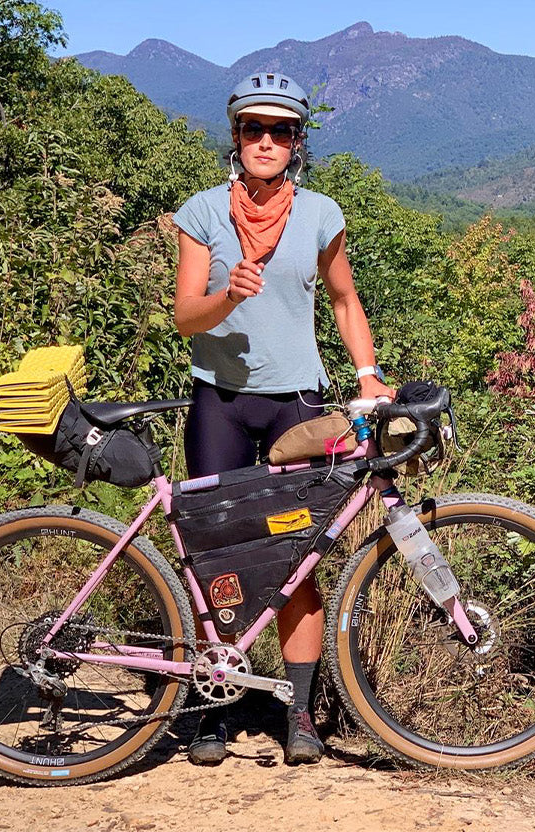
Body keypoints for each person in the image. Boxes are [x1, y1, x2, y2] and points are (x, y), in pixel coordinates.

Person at [171, 72, 391, 765]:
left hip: (297, 402)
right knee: (213, 560)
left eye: (282, 131)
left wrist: (367, 374)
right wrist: (226, 299)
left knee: (298, 560)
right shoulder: (203, 212)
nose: (266, 141)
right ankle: (212, 702)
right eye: (253, 129)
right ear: (235, 137)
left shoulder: (322, 214)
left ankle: (299, 712)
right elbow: (184, 317)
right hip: (220, 402)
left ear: (298, 143)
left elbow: (345, 300)